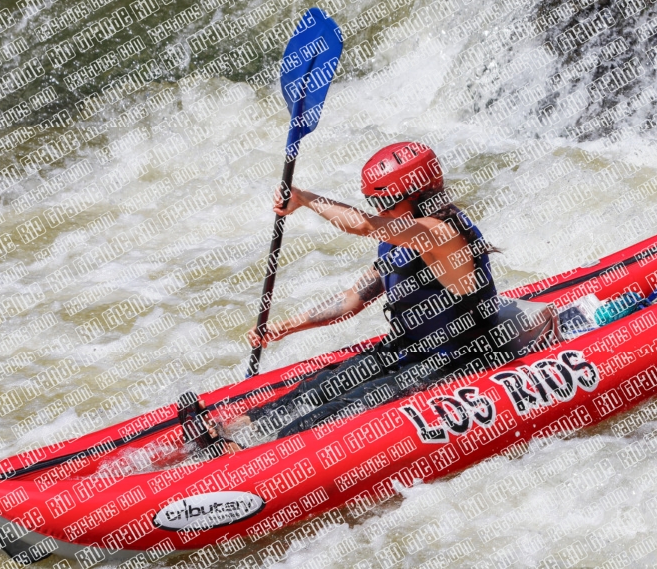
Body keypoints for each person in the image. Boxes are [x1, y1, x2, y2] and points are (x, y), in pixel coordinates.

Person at [207, 142, 524, 449]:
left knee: (329, 415)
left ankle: (248, 461)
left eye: (385, 203)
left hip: (451, 364)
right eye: (374, 203)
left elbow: (362, 225)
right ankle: (226, 436)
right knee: (312, 391)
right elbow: (352, 301)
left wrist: (303, 198)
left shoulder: (443, 233)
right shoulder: (399, 236)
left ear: (417, 196)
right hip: (404, 351)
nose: (379, 211)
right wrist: (286, 327)